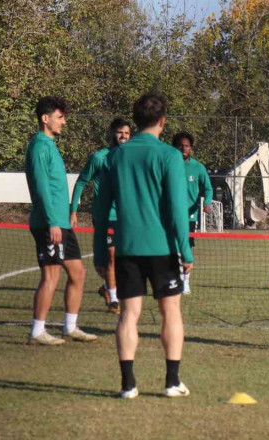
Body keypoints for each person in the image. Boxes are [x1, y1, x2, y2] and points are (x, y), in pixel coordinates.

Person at [93, 92, 194, 399]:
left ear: (135, 122)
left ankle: (128, 385)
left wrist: (99, 249)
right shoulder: (170, 156)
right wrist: (186, 252)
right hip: (162, 249)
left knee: (128, 314)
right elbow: (178, 210)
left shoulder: (116, 156)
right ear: (162, 122)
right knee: (171, 312)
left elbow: (100, 208)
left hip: (126, 248)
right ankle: (172, 381)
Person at [24, 96, 97, 345]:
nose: (64, 122)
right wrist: (53, 222)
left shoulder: (50, 145)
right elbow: (42, 188)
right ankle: (37, 330)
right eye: (60, 117)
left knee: (78, 273)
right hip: (49, 223)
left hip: (61, 223)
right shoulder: (39, 146)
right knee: (51, 277)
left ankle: (70, 327)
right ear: (45, 119)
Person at [70, 118, 131, 314]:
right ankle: (114, 300)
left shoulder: (130, 158)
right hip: (105, 216)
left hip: (126, 216)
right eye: (120, 132)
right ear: (113, 133)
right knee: (111, 256)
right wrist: (73, 211)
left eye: (127, 133)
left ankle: (107, 288)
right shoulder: (99, 157)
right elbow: (81, 183)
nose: (123, 136)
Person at [172, 132, 212, 294]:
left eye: (187, 145)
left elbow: (208, 188)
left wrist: (207, 202)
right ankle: (175, 279)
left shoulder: (198, 167)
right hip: (170, 215)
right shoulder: (169, 164)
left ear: (191, 148)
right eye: (180, 145)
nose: (184, 148)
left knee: (187, 248)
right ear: (174, 147)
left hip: (189, 216)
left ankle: (185, 281)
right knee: (172, 249)